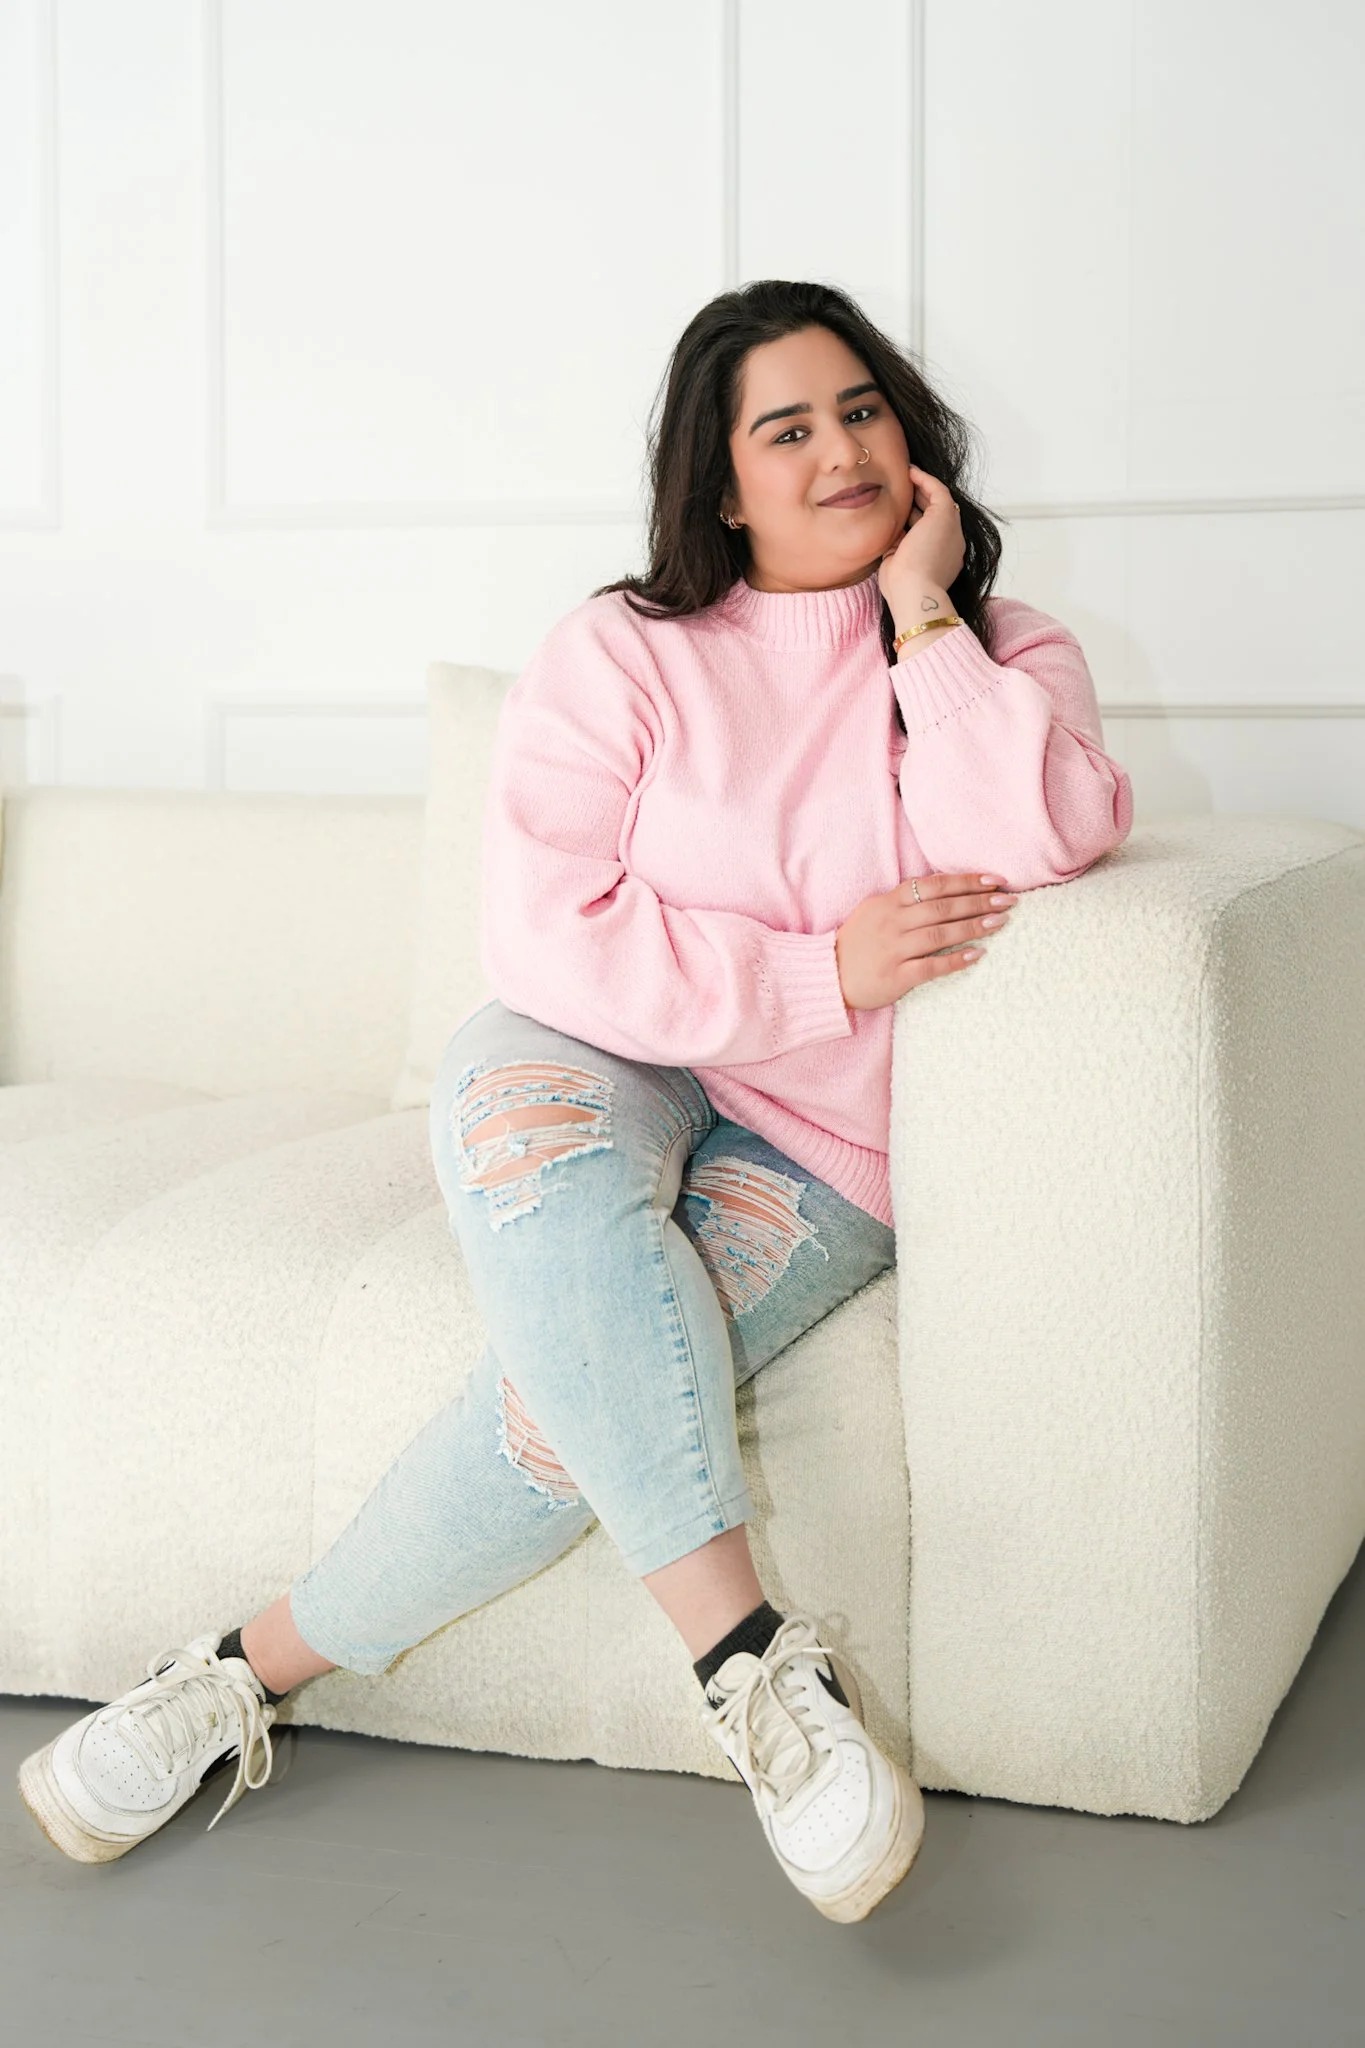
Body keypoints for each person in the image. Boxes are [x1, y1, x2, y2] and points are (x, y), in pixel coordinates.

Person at [17, 280, 1132, 1922]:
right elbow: (550, 930)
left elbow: (1034, 835)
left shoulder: (1003, 654)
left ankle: (240, 1675)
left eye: (864, 410)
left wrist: (920, 617)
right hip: (595, 1048)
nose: (841, 450)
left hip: (822, 1135)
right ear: (720, 480)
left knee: (569, 1399)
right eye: (788, 428)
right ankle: (750, 1660)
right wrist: (820, 974)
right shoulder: (623, 648)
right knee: (528, 1140)